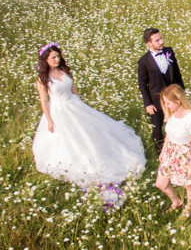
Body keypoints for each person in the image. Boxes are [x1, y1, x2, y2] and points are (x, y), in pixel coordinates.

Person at [32, 42, 146, 188]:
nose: (57, 60)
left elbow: (73, 90)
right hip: (58, 110)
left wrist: (82, 106)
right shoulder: (43, 78)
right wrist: (49, 120)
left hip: (74, 105)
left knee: (91, 132)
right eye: (53, 57)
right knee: (68, 139)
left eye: (58, 56)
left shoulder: (64, 71)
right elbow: (43, 100)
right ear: (46, 60)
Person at [155, 84, 191, 218]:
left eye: (168, 103)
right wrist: (164, 151)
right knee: (160, 184)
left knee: (188, 185)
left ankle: (189, 208)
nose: (166, 105)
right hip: (171, 152)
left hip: (185, 154)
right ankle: (176, 202)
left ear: (178, 102)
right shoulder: (172, 113)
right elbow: (169, 133)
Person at [138, 28, 185, 153]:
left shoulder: (169, 51)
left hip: (174, 96)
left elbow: (176, 72)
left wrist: (181, 92)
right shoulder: (143, 62)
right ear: (149, 43)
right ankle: (161, 154)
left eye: (161, 38)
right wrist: (148, 103)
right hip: (156, 100)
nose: (161, 41)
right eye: (157, 40)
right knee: (157, 128)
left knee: (176, 123)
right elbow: (142, 84)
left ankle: (176, 150)